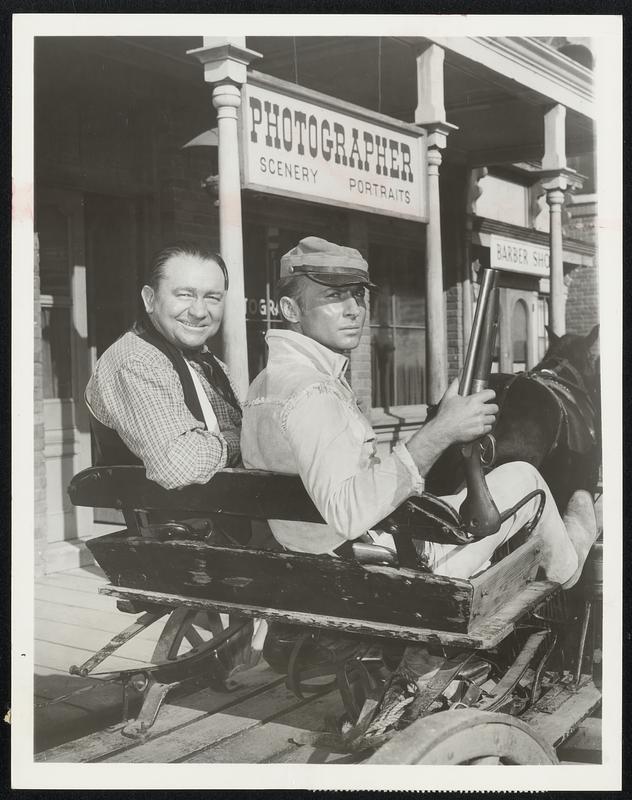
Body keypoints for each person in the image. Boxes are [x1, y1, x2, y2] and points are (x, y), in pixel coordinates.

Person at [241, 236, 598, 588]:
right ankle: (568, 570)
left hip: (313, 556)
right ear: (289, 310)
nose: (355, 309)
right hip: (383, 571)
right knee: (525, 478)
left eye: (358, 294)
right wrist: (442, 429)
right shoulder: (313, 392)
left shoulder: (265, 384)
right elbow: (349, 512)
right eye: (333, 296)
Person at [86, 242, 242, 490]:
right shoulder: (138, 360)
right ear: (150, 299)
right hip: (177, 525)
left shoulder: (207, 362)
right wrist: (242, 441)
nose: (200, 311)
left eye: (213, 297)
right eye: (185, 295)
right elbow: (178, 465)